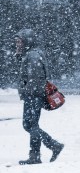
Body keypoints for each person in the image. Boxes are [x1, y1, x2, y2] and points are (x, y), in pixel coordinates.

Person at [16, 29, 63, 165]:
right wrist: (19, 56)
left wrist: (28, 93)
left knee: (29, 125)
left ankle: (52, 146)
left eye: (19, 42)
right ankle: (36, 155)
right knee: (32, 125)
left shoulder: (33, 56)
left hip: (33, 96)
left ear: (27, 41)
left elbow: (36, 80)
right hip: (33, 96)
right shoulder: (31, 54)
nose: (17, 45)